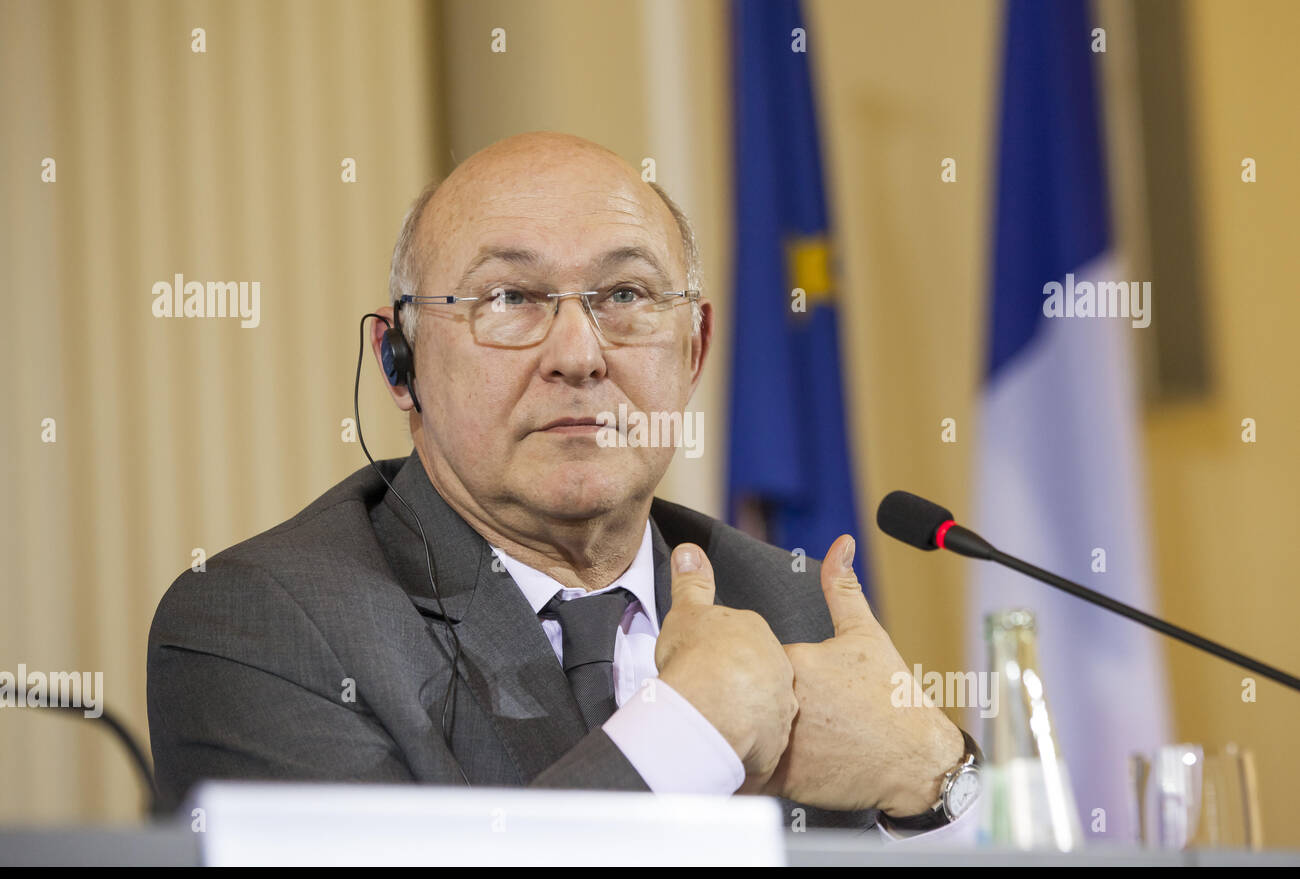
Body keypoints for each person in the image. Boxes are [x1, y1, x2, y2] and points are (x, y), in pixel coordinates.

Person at [148, 131, 980, 838]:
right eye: (510, 298)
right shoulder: (258, 626)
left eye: (625, 295)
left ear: (692, 351)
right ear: (397, 365)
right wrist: (690, 730)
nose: (579, 355)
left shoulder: (792, 609)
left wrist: (937, 785)